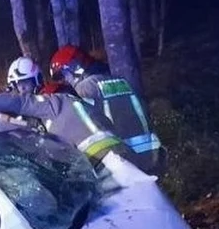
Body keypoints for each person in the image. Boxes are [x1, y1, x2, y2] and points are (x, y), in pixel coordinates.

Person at [0, 56, 129, 166]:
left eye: (25, 84)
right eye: (17, 86)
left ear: (37, 81)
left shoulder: (52, 100)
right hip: (113, 152)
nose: (22, 91)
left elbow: (19, 103)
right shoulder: (68, 96)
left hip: (101, 158)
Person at [49, 45, 165, 175]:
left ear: (75, 68)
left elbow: (86, 125)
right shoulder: (120, 81)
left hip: (123, 159)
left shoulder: (85, 88)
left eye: (64, 75)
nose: (65, 81)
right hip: (152, 156)